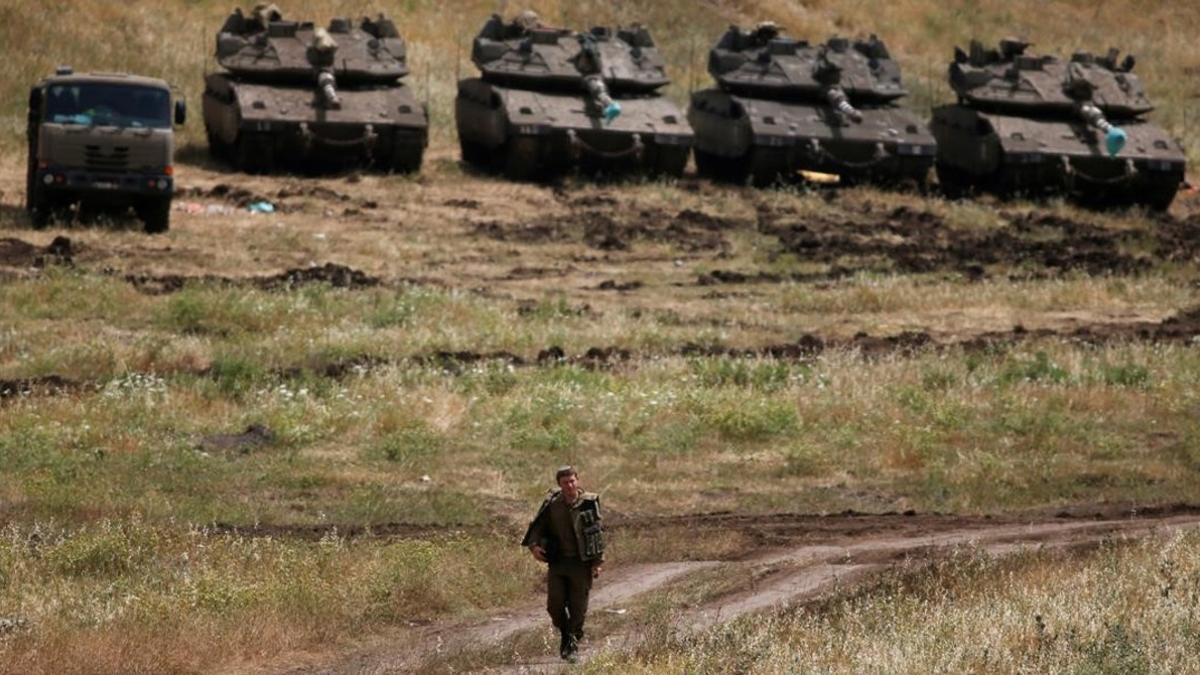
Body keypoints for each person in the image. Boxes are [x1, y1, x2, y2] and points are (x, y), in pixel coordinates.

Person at [521, 465, 605, 662]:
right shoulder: (553, 504)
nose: (570, 485)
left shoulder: (588, 503)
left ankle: (572, 644)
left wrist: (598, 562)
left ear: (578, 480)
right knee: (554, 606)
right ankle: (568, 634)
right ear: (559, 484)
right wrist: (533, 547)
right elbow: (537, 527)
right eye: (565, 482)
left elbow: (597, 533)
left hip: (581, 563)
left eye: (573, 481)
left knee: (578, 607)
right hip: (558, 562)